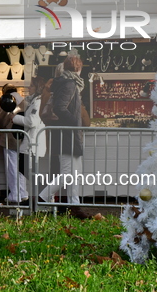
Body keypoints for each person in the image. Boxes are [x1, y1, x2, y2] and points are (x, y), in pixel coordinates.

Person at [38, 55, 87, 217]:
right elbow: (60, 108)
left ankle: (75, 206)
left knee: (74, 174)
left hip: (68, 133)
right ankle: (43, 197)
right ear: (78, 68)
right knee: (68, 174)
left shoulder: (64, 83)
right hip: (68, 134)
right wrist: (75, 123)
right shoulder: (70, 84)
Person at [12, 76, 47, 204]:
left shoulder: (38, 102)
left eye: (31, 85)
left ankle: (43, 195)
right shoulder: (33, 101)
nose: (28, 88)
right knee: (27, 170)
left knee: (28, 170)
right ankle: (41, 196)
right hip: (30, 142)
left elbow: (31, 121)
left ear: (37, 87)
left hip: (32, 143)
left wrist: (14, 118)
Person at [0, 84, 27, 204]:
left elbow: (1, 121)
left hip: (10, 138)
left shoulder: (6, 101)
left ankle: (15, 194)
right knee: (21, 168)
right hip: (24, 137)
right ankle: (23, 192)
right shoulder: (24, 101)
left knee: (12, 167)